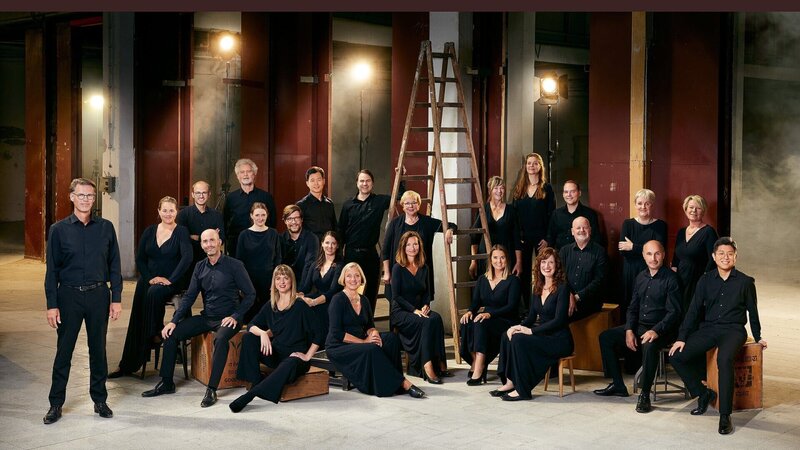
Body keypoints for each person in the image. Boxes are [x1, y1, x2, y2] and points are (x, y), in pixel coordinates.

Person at [141, 229, 255, 408]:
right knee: (171, 334)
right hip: (207, 317)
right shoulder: (200, 266)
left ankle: (212, 389)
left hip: (228, 318)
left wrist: (236, 315)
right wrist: (173, 321)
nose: (209, 244)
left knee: (221, 339)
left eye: (212, 240)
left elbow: (250, 294)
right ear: (201, 245)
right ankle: (167, 382)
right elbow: (189, 297)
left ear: (219, 242)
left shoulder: (235, 265)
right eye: (205, 241)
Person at [43, 178, 122, 424]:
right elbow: (51, 271)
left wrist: (116, 298)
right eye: (81, 195)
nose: (86, 200)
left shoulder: (106, 227)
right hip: (69, 296)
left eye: (90, 196)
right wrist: (52, 304)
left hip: (99, 295)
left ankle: (100, 400)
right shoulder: (58, 230)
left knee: (98, 350)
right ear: (71, 197)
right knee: (64, 351)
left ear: (94, 198)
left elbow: (115, 265)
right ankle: (56, 404)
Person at [669, 237, 767, 435]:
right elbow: (693, 311)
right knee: (676, 356)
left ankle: (725, 415)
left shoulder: (746, 282)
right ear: (714, 257)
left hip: (734, 330)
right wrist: (681, 337)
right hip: (710, 328)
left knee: (724, 359)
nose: (725, 257)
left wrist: (758, 337)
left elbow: (753, 312)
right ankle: (703, 393)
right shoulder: (705, 280)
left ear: (735, 257)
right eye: (721, 253)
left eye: (730, 254)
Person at [594, 240, 682, 414]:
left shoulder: (672, 279)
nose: (653, 258)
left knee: (649, 345)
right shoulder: (640, 277)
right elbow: (632, 307)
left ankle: (645, 395)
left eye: (657, 254)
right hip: (640, 326)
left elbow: (674, 313)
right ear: (643, 256)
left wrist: (656, 330)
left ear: (663, 255)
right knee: (606, 337)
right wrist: (628, 330)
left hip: (663, 330)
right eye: (649, 254)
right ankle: (618, 385)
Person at [109, 196, 193, 378]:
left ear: (177, 212)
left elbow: (187, 258)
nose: (168, 214)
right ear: (158, 211)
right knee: (139, 311)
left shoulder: (181, 231)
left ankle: (154, 334)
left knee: (154, 292)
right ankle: (127, 364)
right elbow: (140, 259)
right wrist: (149, 279)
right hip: (150, 279)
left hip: (173, 280)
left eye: (171, 210)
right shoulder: (149, 231)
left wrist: (170, 280)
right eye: (165, 210)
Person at [229, 265, 323, 412]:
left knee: (290, 362)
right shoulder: (271, 305)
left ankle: (252, 393)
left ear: (292, 281)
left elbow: (320, 332)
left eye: (286, 278)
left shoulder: (300, 305)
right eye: (278, 278)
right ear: (274, 282)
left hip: (295, 358)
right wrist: (263, 333)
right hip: (276, 354)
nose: (282, 282)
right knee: (249, 338)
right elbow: (251, 325)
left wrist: (307, 356)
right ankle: (255, 380)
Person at [325, 262, 426, 398]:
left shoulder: (364, 300)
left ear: (361, 278)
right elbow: (337, 333)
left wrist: (374, 333)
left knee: (391, 339)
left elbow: (369, 326)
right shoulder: (337, 300)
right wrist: (364, 342)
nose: (353, 279)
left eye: (357, 276)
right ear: (343, 279)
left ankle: (394, 383)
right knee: (372, 348)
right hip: (339, 346)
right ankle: (403, 383)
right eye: (349, 276)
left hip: (360, 339)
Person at [493, 247, 573, 401]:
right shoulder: (537, 286)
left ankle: (522, 389)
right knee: (507, 335)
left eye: (551, 262)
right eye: (543, 262)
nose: (546, 266)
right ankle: (510, 382)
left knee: (519, 340)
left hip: (559, 339)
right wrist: (516, 327)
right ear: (539, 265)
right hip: (544, 335)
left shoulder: (563, 288)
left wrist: (530, 331)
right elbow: (531, 317)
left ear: (557, 266)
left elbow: (559, 320)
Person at [339, 169, 404, 313]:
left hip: (370, 254)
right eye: (362, 181)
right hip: (351, 254)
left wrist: (401, 176)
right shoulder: (348, 205)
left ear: (372, 183)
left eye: (368, 181)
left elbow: (399, 197)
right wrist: (339, 257)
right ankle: (353, 322)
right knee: (351, 291)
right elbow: (340, 231)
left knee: (370, 292)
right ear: (357, 183)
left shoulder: (379, 201)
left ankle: (368, 321)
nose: (365, 184)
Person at [390, 231, 449, 383]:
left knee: (436, 318)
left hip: (419, 309)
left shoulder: (424, 267)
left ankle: (440, 363)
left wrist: (425, 306)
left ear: (419, 246)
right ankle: (427, 365)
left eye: (415, 244)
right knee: (426, 322)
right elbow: (396, 296)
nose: (412, 247)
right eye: (409, 245)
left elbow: (427, 293)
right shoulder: (397, 268)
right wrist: (414, 310)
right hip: (401, 311)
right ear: (403, 248)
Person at [460, 245, 520, 386]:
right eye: (495, 257)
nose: (499, 261)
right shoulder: (483, 279)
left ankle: (479, 368)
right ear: (490, 260)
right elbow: (476, 302)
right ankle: (476, 360)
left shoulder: (513, 280)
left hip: (505, 318)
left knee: (481, 324)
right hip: (487, 317)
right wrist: (470, 311)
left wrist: (489, 314)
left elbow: (511, 307)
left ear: (507, 260)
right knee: (466, 322)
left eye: (502, 257)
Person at [382, 190, 455, 303]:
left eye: (414, 203)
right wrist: (387, 272)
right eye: (407, 203)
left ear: (419, 204)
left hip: (421, 274)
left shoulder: (427, 222)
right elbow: (385, 250)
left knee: (422, 306)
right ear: (402, 206)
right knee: (398, 305)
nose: (411, 206)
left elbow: (451, 225)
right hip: (399, 272)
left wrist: (450, 230)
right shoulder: (395, 224)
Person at [511, 153, 555, 312]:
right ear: (525, 166)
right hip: (523, 238)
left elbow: (552, 216)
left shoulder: (547, 188)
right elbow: (514, 217)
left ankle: (543, 307)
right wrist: (518, 238)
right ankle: (526, 309)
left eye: (535, 163)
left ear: (540, 166)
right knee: (522, 273)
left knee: (542, 272)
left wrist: (548, 238)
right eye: (529, 163)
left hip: (541, 238)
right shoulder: (519, 188)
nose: (532, 166)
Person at [618, 188, 667, 320]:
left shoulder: (660, 225)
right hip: (630, 272)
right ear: (635, 205)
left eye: (647, 203)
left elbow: (658, 252)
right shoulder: (627, 224)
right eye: (639, 203)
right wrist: (646, 251)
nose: (643, 207)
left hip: (651, 272)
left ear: (652, 205)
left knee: (650, 305)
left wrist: (633, 247)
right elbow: (623, 251)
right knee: (630, 305)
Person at [235, 202, 282, 323]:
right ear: (251, 216)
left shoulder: (273, 233)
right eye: (257, 215)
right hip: (249, 279)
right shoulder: (243, 235)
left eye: (263, 215)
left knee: (267, 314)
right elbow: (239, 261)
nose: (260, 218)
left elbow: (278, 259)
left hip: (269, 279)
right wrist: (240, 283)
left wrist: (276, 280)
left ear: (267, 215)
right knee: (249, 315)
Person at [671, 194, 718, 312]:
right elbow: (676, 257)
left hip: (697, 280)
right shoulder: (681, 232)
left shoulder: (709, 232)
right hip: (680, 280)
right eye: (691, 207)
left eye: (698, 208)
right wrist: (673, 274)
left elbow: (713, 259)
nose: (694, 211)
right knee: (678, 311)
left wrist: (704, 281)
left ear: (703, 211)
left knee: (693, 313)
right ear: (685, 209)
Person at [469, 176, 521, 279]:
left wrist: (519, 262)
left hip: (506, 257)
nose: (499, 191)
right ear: (490, 190)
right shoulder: (483, 209)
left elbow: (517, 238)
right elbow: (475, 237)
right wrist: (473, 261)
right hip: (485, 256)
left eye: (502, 188)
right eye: (496, 188)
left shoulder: (511, 210)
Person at [224, 158, 277, 257]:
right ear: (237, 176)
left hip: (262, 245)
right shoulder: (231, 198)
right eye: (242, 172)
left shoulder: (266, 197)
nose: (245, 175)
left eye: (248, 171)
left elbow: (273, 222)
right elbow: (225, 221)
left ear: (254, 174)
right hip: (236, 246)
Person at [559, 216, 609, 322]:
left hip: (589, 302)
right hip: (566, 298)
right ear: (572, 232)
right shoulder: (564, 251)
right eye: (578, 228)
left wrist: (576, 297)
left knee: (561, 316)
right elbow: (560, 276)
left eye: (585, 227)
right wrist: (569, 295)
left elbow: (599, 280)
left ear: (590, 230)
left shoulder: (600, 252)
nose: (581, 230)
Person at [298, 231, 344, 342]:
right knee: (297, 305)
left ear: (337, 246)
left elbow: (333, 291)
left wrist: (314, 302)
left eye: (333, 243)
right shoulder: (315, 264)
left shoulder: (340, 265)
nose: (330, 246)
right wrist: (298, 295)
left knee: (314, 311)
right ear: (322, 244)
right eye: (327, 243)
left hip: (332, 301)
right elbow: (306, 287)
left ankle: (319, 343)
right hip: (316, 298)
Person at [176, 180, 225, 268]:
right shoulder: (183, 214)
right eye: (198, 193)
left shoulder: (217, 215)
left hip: (211, 263)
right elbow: (182, 239)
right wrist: (212, 237)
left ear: (209, 194)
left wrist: (195, 237)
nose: (201, 196)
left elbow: (221, 239)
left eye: (204, 193)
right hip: (189, 263)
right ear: (193, 194)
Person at [546, 180, 604, 250]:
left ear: (579, 193)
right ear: (563, 194)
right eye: (566, 192)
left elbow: (596, 239)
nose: (569, 195)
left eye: (572, 191)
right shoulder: (556, 214)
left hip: (583, 254)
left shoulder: (590, 214)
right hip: (560, 254)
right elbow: (550, 239)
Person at [280, 204, 320, 288]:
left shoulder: (312, 238)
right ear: (285, 221)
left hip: (306, 284)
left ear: (301, 219)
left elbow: (309, 265)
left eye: (296, 218)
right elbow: (279, 265)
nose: (294, 222)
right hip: (285, 284)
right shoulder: (280, 239)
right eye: (290, 219)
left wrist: (301, 290)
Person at [296, 166, 337, 241]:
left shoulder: (329, 203)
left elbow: (334, 227)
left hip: (328, 246)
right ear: (307, 183)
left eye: (319, 180)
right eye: (312, 180)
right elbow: (297, 231)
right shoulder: (301, 205)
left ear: (324, 181)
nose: (316, 183)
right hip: (310, 246)